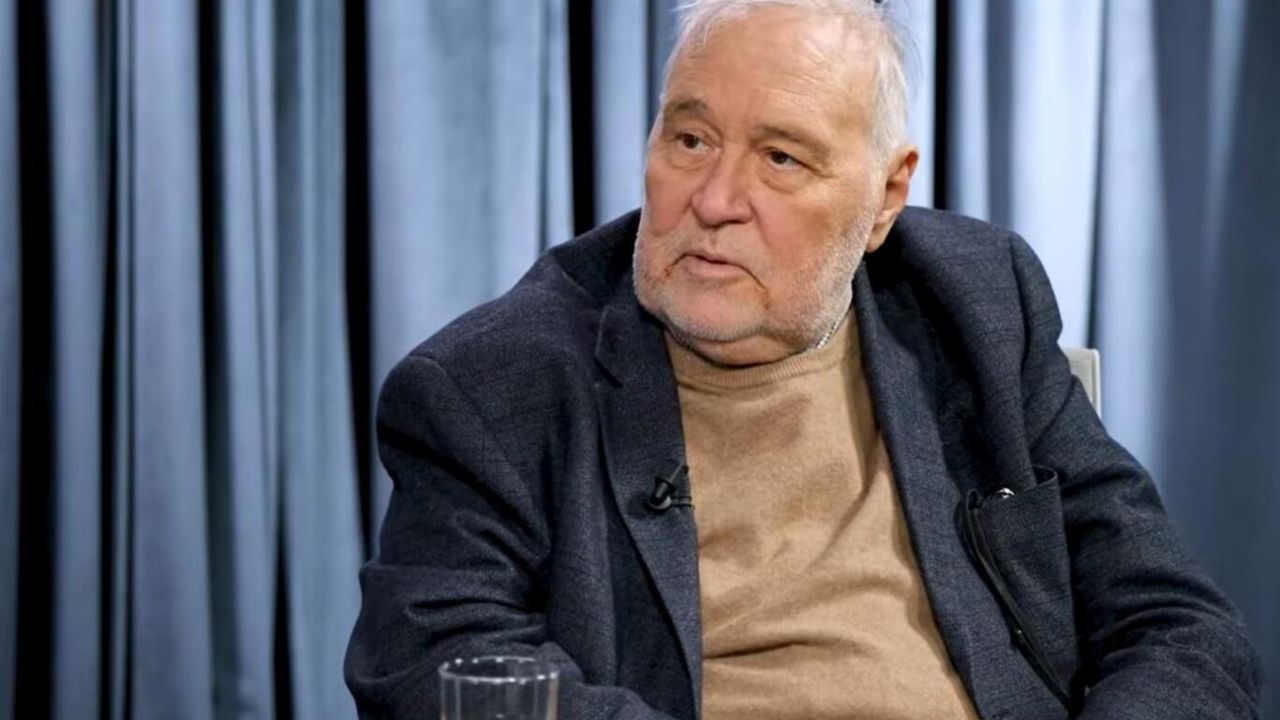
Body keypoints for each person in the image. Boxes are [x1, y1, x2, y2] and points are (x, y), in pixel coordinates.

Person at [344, 0, 1262, 717]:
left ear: (884, 198)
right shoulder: (492, 386)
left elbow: (1179, 625)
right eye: (690, 139)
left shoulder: (977, 305)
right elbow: (436, 665)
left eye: (781, 158)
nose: (714, 200)